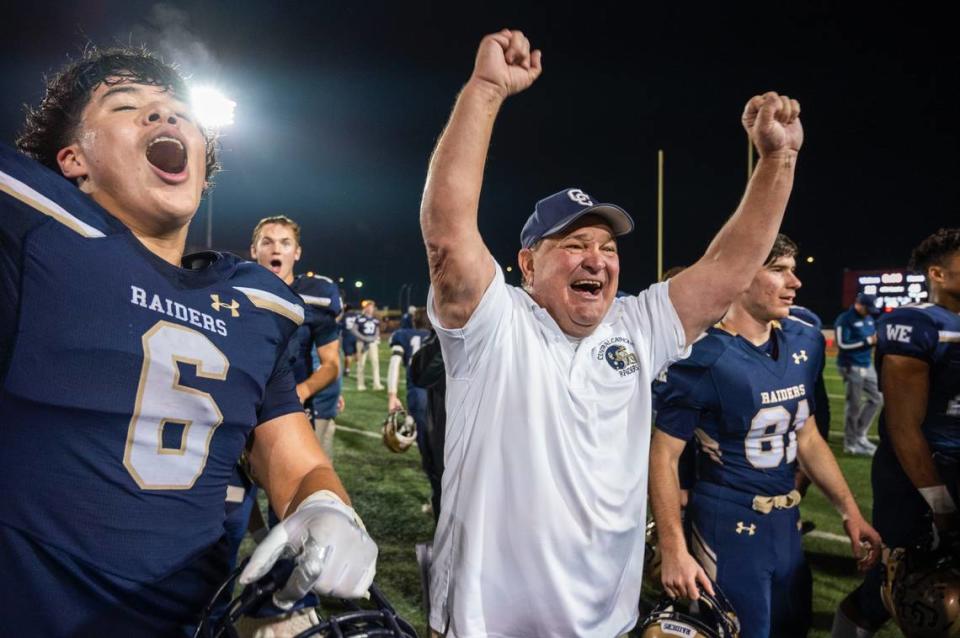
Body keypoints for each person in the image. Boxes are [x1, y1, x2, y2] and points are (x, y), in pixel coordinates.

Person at [420, 27, 805, 636]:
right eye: (574, 244)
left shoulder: (637, 324)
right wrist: (486, 91)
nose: (597, 259)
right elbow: (447, 235)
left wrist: (777, 161)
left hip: (608, 623)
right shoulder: (495, 323)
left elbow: (730, 269)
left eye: (606, 245)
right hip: (483, 621)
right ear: (526, 264)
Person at [0, 47, 375, 635]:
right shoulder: (34, 234)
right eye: (128, 106)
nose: (164, 117)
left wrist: (326, 508)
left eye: (178, 111)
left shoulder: (257, 302)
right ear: (73, 160)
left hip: (193, 620)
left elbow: (295, 462)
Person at [650, 234, 881, 638]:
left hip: (786, 522)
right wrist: (673, 548)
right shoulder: (701, 356)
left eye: (794, 270)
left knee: (793, 628)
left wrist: (850, 511)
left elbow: (806, 435)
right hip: (728, 521)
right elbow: (664, 456)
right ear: (739, 277)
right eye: (778, 270)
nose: (795, 282)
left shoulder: (803, 339)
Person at [832, 228, 960, 637]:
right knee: (904, 591)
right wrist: (940, 502)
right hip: (922, 480)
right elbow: (903, 427)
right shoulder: (917, 323)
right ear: (937, 274)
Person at [250, 215, 343, 458]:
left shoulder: (316, 296)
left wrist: (301, 392)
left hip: (294, 406)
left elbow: (331, 364)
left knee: (295, 490)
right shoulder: (235, 292)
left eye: (285, 242)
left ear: (297, 252)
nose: (276, 249)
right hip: (244, 404)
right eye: (267, 242)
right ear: (254, 249)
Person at [834, 292, 883, 455]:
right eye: (867, 308)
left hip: (866, 364)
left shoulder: (868, 318)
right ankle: (850, 443)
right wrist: (867, 341)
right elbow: (842, 344)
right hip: (850, 365)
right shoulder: (845, 319)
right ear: (858, 304)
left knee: (877, 398)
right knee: (854, 405)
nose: (870, 311)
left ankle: (860, 435)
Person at [387, 306, 431, 440]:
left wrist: (392, 395)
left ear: (414, 321)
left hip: (417, 392)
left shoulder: (403, 335)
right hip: (442, 394)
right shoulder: (440, 336)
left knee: (425, 443)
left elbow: (395, 364)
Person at [353, 299, 383, 391]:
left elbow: (377, 332)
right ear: (365, 308)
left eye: (372, 307)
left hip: (372, 343)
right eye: (368, 307)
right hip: (361, 343)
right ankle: (360, 384)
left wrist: (373, 338)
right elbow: (354, 330)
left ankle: (376, 384)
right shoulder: (359, 318)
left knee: (375, 363)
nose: (370, 309)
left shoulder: (375, 320)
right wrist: (364, 338)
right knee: (361, 363)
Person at [341, 303, 359, 376]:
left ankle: (347, 370)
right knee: (357, 353)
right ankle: (360, 369)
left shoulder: (344, 316)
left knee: (348, 355)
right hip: (357, 336)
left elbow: (339, 324)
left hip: (347, 336)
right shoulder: (357, 316)